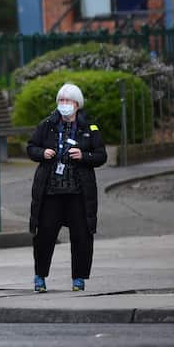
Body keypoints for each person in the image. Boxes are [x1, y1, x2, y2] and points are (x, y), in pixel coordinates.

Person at [27, 83, 107, 292]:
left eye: (68, 101)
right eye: (61, 101)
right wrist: (41, 153)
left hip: (78, 192)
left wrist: (84, 156)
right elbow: (31, 147)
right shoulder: (47, 124)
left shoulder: (89, 127)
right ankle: (40, 276)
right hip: (51, 191)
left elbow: (101, 155)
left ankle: (79, 278)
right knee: (44, 235)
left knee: (81, 235)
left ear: (77, 104)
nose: (64, 105)